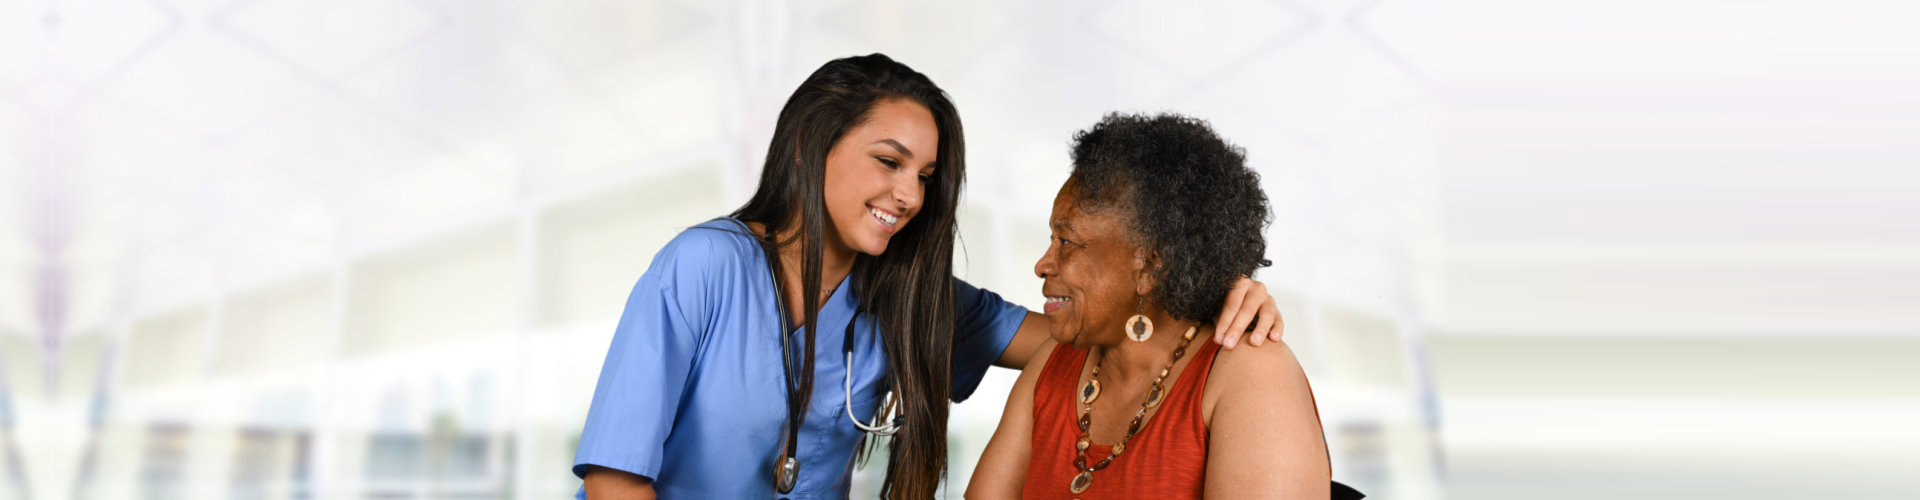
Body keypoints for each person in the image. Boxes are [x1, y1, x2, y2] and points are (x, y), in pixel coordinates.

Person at [572, 55, 1287, 499]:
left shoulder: (912, 297)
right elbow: (614, 478)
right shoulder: (703, 267)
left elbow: (1098, 335)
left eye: (926, 175)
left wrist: (1208, 290)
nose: (910, 195)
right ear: (806, 145)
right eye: (889, 161)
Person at [967, 113, 1334, 499]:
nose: (1043, 264)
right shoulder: (1052, 362)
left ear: (1150, 266)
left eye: (1067, 241)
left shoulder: (1251, 370)